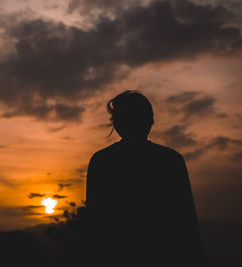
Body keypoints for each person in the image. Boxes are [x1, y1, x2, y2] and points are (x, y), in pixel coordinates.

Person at [85, 90, 201, 266]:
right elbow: (187, 224)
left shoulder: (102, 161)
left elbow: (95, 227)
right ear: (151, 121)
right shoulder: (171, 160)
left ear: (116, 124)